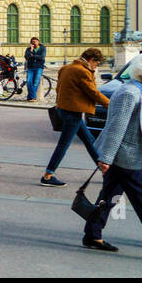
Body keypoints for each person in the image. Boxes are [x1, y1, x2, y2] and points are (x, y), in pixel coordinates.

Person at [81, 52, 142, 261]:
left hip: (131, 155)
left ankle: (92, 234)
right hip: (125, 157)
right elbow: (115, 128)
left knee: (109, 197)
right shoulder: (130, 93)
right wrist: (105, 159)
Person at [41, 48, 109, 186]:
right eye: (97, 63)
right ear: (91, 60)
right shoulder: (83, 71)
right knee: (64, 144)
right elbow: (93, 93)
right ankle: (48, 175)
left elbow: (59, 89)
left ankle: (105, 172)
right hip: (73, 112)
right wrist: (111, 104)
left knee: (90, 141)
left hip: (64, 109)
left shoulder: (66, 68)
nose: (96, 66)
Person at [24, 37, 46, 102]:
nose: (34, 43)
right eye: (33, 42)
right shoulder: (28, 49)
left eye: (35, 42)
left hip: (39, 67)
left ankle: (31, 97)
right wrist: (31, 50)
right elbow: (26, 57)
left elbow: (42, 57)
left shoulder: (42, 48)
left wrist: (33, 55)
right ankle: (33, 97)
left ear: (38, 42)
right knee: (28, 82)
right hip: (30, 67)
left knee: (35, 83)